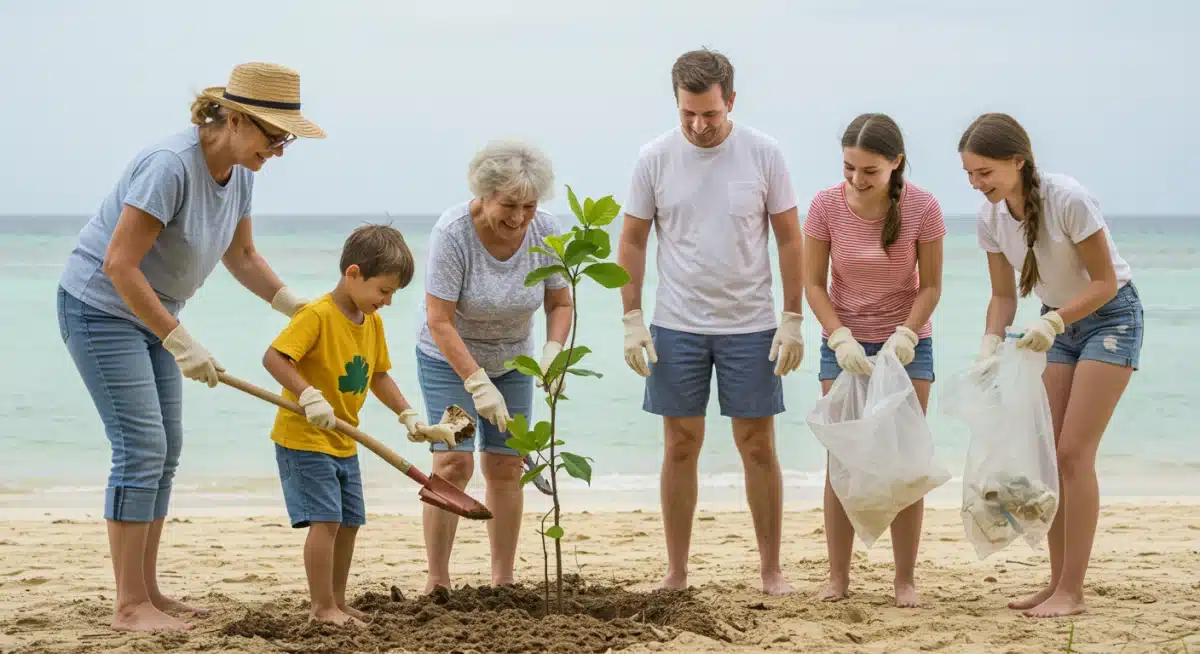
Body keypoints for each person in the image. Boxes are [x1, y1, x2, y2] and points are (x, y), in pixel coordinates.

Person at [55, 62, 324, 632]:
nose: (278, 150)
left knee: (167, 448)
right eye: (273, 136)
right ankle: (129, 605)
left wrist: (295, 306)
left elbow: (242, 255)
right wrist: (181, 342)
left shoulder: (243, 172)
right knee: (140, 446)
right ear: (233, 118)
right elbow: (118, 264)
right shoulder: (169, 167)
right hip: (101, 307)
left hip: (155, 313)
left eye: (286, 139)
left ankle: (148, 591)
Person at [616, 48, 805, 596]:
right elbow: (631, 239)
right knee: (679, 443)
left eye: (710, 115)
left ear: (732, 102)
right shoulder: (654, 157)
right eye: (687, 114)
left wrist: (792, 317)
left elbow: (791, 239)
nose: (698, 126)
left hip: (751, 322)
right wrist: (631, 317)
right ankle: (676, 572)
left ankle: (771, 569)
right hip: (676, 322)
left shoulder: (763, 153)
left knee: (756, 444)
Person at [959, 112, 1142, 618]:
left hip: (1111, 319)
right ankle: (1057, 583)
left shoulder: (1069, 199)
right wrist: (989, 346)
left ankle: (1073, 592)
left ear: (1017, 161)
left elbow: (1104, 282)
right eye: (970, 175)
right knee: (1050, 463)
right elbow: (1002, 296)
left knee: (1073, 454)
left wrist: (1054, 322)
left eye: (985, 173)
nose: (978, 185)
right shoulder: (990, 219)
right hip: (1054, 325)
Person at [262, 223, 442, 625]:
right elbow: (274, 358)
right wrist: (307, 395)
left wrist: (408, 414)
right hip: (304, 437)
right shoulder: (317, 315)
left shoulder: (371, 321)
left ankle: (337, 602)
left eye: (394, 293)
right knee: (325, 521)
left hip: (343, 440)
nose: (388, 301)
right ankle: (320, 607)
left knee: (349, 523)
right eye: (384, 290)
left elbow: (378, 375)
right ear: (353, 274)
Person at [415, 138, 574, 593]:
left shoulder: (546, 230)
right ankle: (438, 582)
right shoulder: (453, 233)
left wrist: (552, 351)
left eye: (529, 205)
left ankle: (503, 580)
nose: (519, 217)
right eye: (509, 204)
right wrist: (475, 382)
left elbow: (560, 301)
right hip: (450, 360)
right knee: (453, 462)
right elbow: (439, 319)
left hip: (513, 362)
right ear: (483, 195)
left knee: (506, 466)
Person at [802, 113, 946, 607]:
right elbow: (813, 285)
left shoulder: (923, 208)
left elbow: (929, 287)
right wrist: (838, 337)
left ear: (895, 163)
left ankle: (904, 580)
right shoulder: (824, 206)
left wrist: (906, 334)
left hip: (906, 344)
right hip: (843, 343)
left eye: (870, 171)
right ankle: (838, 578)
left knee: (905, 461)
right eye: (849, 169)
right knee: (841, 458)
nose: (858, 181)